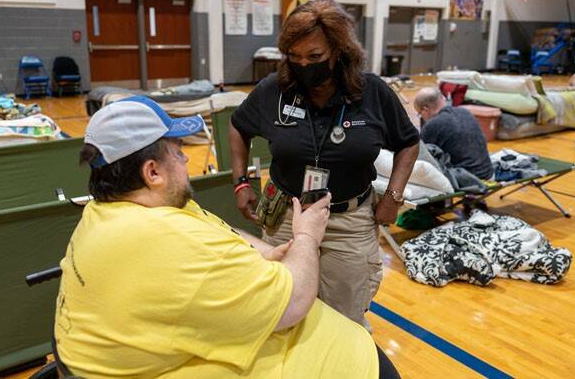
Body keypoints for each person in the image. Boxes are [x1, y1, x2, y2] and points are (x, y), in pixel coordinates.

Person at [53, 96, 400, 379]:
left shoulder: (110, 211)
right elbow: (294, 303)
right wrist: (307, 237)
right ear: (152, 171)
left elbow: (215, 230)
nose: (185, 157)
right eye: (176, 150)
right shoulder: (170, 244)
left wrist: (266, 252)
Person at [229, 0, 419, 326]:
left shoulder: (372, 92)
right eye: (294, 57)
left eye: (314, 56)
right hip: (287, 217)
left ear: (338, 50)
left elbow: (409, 143)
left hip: (349, 222)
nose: (304, 64)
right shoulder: (274, 90)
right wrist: (241, 181)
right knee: (285, 310)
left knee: (345, 316)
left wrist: (393, 197)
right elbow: (238, 126)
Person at [414, 87, 494, 180]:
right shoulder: (465, 112)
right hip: (489, 174)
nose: (421, 117)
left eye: (420, 113)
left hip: (468, 181)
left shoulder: (433, 125)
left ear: (426, 109)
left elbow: (421, 158)